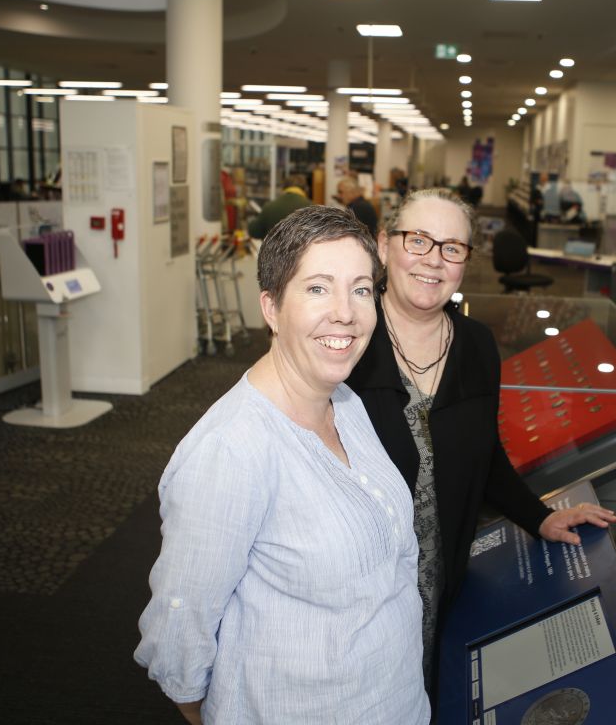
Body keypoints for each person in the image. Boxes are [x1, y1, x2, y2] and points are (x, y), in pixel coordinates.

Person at [136, 206, 429, 725]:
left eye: (361, 289)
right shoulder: (233, 450)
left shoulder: (346, 403)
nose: (345, 312)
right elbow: (179, 628)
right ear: (271, 307)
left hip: (394, 702)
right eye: (317, 288)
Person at [345, 187, 616, 697]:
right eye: (419, 240)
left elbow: (484, 455)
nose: (434, 260)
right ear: (384, 246)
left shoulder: (476, 346)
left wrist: (539, 515)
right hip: (355, 605)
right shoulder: (346, 341)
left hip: (441, 588)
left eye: (452, 248)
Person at [246, 174, 312, 239]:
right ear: (306, 189)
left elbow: (254, 231)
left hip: (273, 249)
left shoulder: (270, 206)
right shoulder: (311, 208)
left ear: (283, 188)